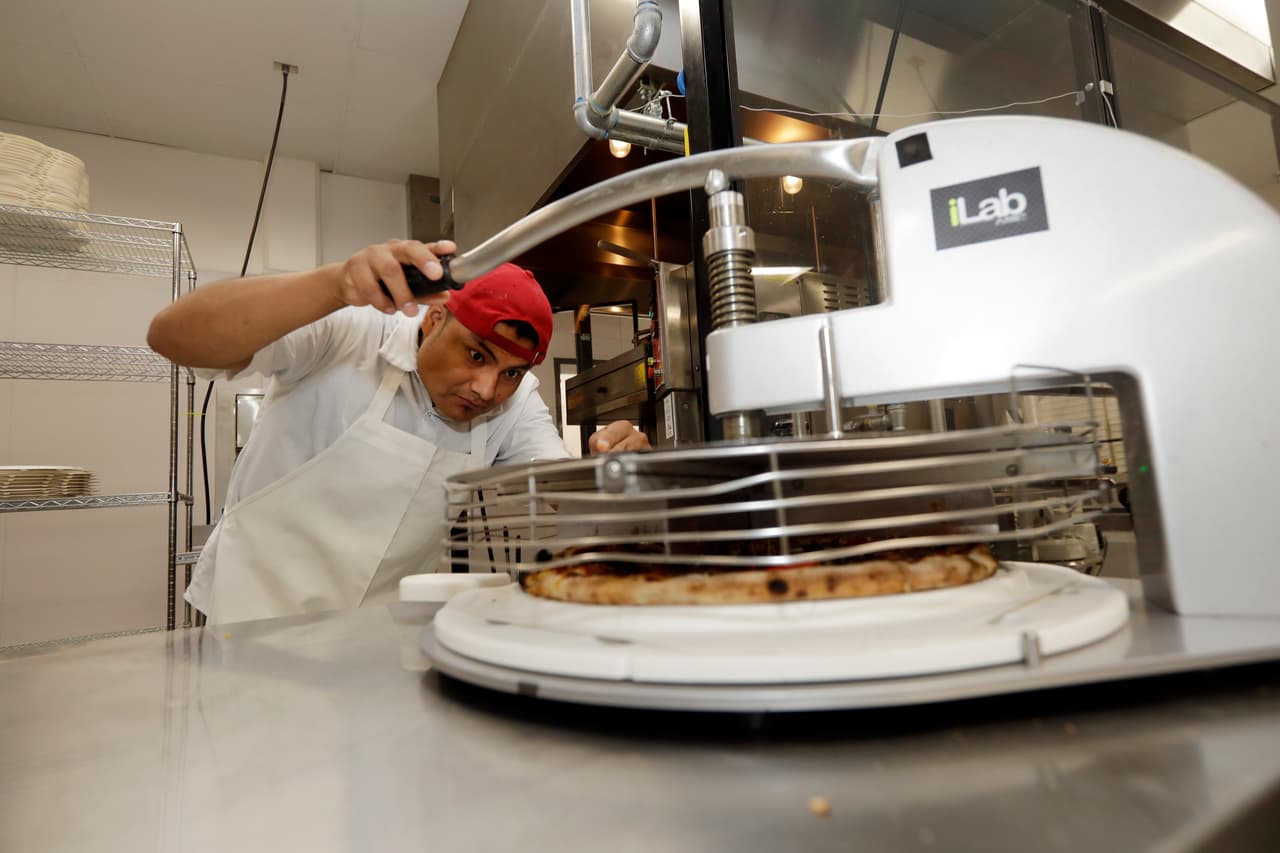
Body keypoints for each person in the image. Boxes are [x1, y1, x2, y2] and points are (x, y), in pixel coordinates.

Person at [147, 238, 649, 624]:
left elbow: (559, 483)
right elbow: (171, 336)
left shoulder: (513, 403)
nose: (487, 388)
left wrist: (614, 473)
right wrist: (331, 284)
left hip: (377, 640)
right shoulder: (348, 331)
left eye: (512, 372)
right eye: (477, 355)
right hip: (254, 620)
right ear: (434, 319)